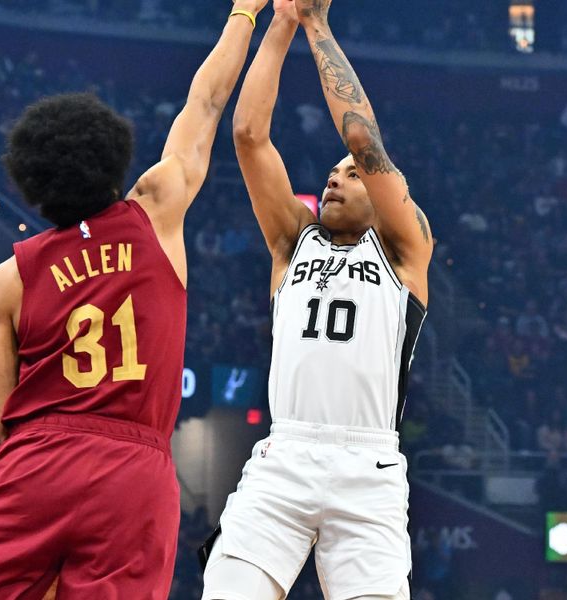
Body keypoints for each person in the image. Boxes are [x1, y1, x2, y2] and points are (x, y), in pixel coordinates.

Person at [0, 1, 268, 597]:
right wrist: (244, 11)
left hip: (35, 459)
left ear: (33, 184)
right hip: (133, 468)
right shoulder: (156, 210)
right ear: (111, 159)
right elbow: (207, 102)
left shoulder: (9, 277)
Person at [201, 1, 433, 598]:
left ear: (384, 195)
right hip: (285, 456)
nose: (336, 177)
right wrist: (281, 19)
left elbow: (360, 136)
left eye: (353, 175)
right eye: (332, 174)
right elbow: (250, 136)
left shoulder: (406, 249)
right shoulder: (291, 243)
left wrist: (318, 24)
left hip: (370, 470)